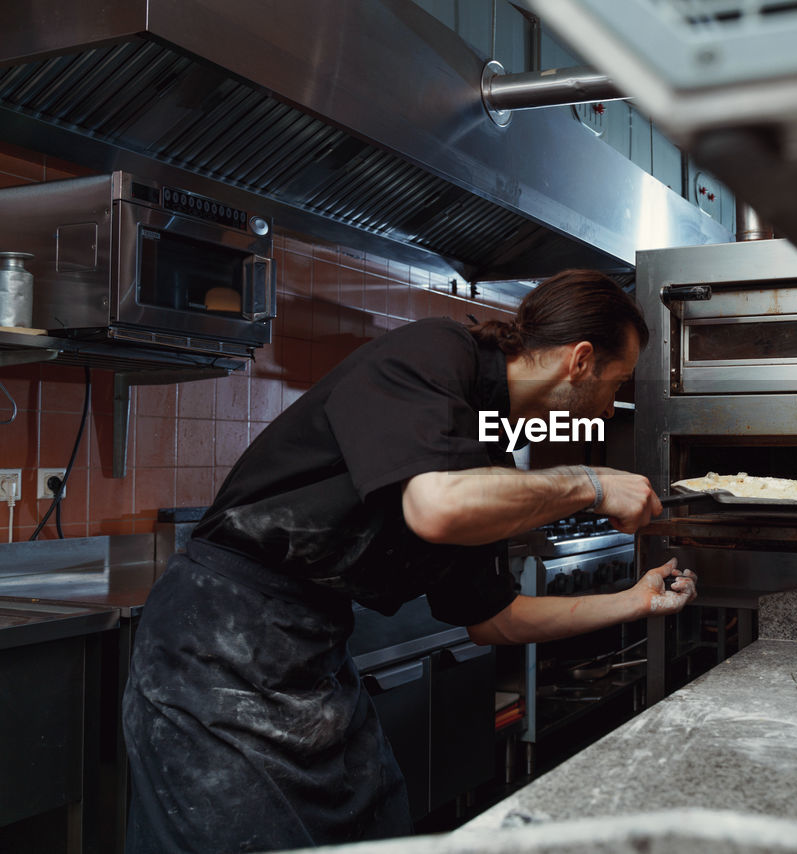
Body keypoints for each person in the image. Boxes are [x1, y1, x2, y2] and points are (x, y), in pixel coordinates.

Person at [121, 269, 696, 853]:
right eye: (616, 382)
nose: (608, 404)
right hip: (215, 645)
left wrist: (634, 601)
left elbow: (491, 618)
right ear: (579, 361)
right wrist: (590, 484)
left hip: (310, 652)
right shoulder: (437, 351)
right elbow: (436, 509)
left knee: (377, 827)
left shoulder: (486, 443)